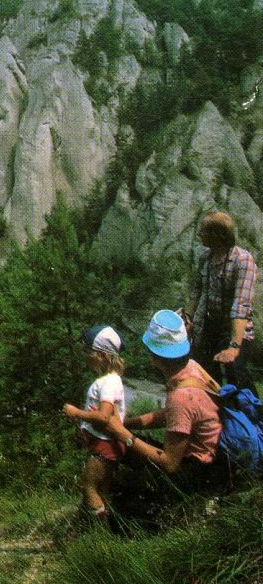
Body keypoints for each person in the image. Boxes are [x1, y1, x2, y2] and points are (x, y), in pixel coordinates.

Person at [106, 309, 228, 493]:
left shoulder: (181, 396)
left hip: (200, 473)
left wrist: (122, 433)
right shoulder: (192, 368)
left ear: (154, 356)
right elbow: (173, 414)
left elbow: (169, 463)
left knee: (121, 480)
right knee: (125, 443)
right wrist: (127, 424)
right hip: (215, 460)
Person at [186, 211, 258, 395]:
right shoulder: (205, 258)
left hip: (236, 331)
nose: (199, 234)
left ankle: (252, 410)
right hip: (209, 328)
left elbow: (241, 305)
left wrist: (234, 347)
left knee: (236, 374)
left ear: (218, 234)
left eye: (204, 231)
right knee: (206, 377)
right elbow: (196, 292)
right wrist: (187, 319)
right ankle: (216, 411)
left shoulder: (242, 260)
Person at [62, 324, 126, 521]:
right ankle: (103, 526)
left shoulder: (108, 382)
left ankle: (100, 529)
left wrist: (77, 413)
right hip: (106, 443)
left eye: (89, 351)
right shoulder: (110, 380)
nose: (85, 355)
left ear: (102, 355)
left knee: (88, 486)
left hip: (104, 444)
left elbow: (104, 416)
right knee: (102, 488)